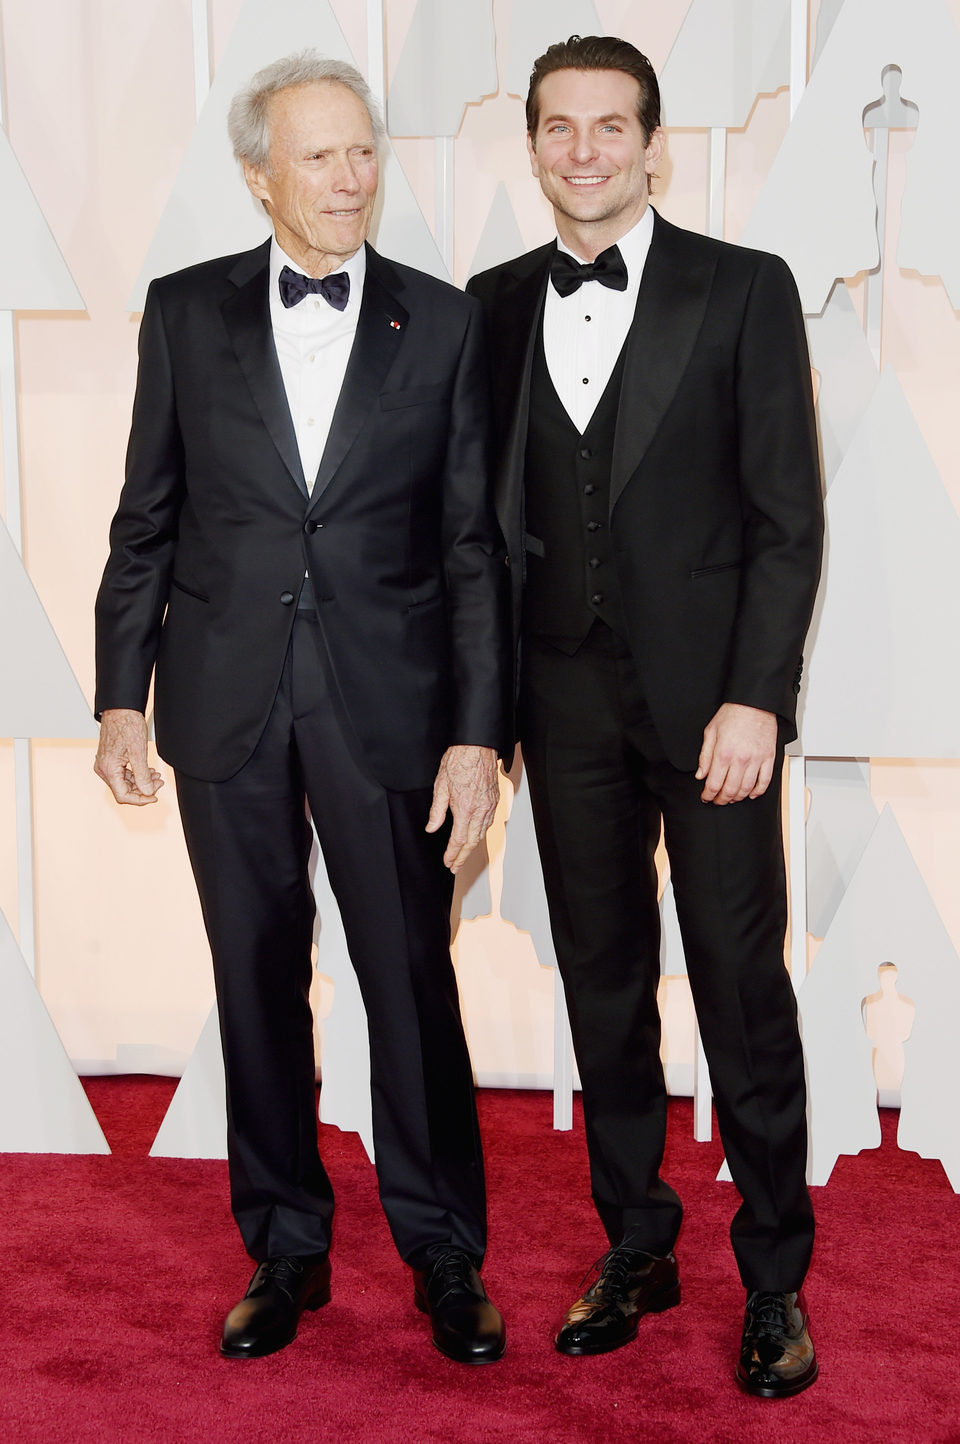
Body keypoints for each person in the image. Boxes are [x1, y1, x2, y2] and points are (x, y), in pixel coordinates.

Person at [94, 51, 510, 1366]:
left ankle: (446, 1256)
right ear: (258, 172)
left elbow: (474, 549)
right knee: (255, 982)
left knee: (409, 984)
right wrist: (118, 698)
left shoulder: (442, 324)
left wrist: (478, 733)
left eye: (364, 151)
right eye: (321, 155)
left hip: (391, 709)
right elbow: (145, 520)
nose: (351, 176)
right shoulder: (183, 313)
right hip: (223, 704)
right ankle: (283, 1250)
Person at [467, 35, 823, 1397]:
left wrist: (758, 698)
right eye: (559, 127)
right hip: (559, 699)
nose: (584, 152)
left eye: (610, 127)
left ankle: (777, 1279)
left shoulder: (742, 290)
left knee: (743, 989)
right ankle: (638, 1243)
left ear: (653, 142)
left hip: (711, 709)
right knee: (604, 988)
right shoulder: (492, 304)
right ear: (537, 145)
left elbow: (789, 521)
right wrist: (476, 717)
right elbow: (475, 529)